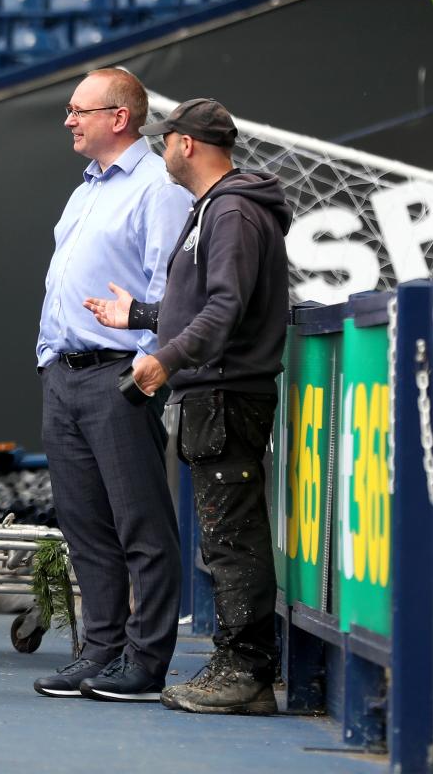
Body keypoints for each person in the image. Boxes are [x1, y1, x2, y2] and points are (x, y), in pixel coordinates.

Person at [84, 97, 291, 715]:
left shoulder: (230, 212)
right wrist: (143, 317)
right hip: (216, 387)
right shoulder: (220, 209)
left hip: (226, 389)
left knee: (232, 537)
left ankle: (246, 669)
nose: (162, 150)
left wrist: (166, 356)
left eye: (166, 140)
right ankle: (237, 663)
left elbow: (225, 309)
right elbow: (209, 304)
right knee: (225, 534)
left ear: (186, 145)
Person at [32, 67, 192, 703]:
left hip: (119, 377)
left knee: (142, 527)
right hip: (64, 374)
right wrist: (49, 354)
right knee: (85, 527)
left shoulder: (159, 188)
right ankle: (100, 653)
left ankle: (145, 663)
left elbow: (169, 292)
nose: (68, 120)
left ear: (117, 118)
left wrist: (147, 368)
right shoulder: (86, 189)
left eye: (79, 110)